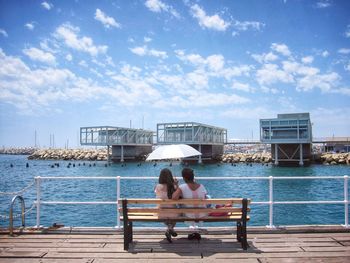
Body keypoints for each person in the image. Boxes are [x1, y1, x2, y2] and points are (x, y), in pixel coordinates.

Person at [172, 167, 207, 241]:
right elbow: (205, 197)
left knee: (181, 207)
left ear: (184, 178)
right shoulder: (202, 186)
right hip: (202, 214)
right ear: (193, 177)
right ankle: (194, 231)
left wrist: (175, 186)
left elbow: (174, 197)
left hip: (188, 215)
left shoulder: (182, 187)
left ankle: (193, 231)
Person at [154, 168, 178, 243]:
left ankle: (169, 228)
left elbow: (157, 194)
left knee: (166, 214)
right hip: (173, 214)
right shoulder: (174, 187)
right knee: (176, 213)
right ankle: (170, 229)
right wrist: (176, 184)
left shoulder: (157, 187)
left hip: (161, 213)